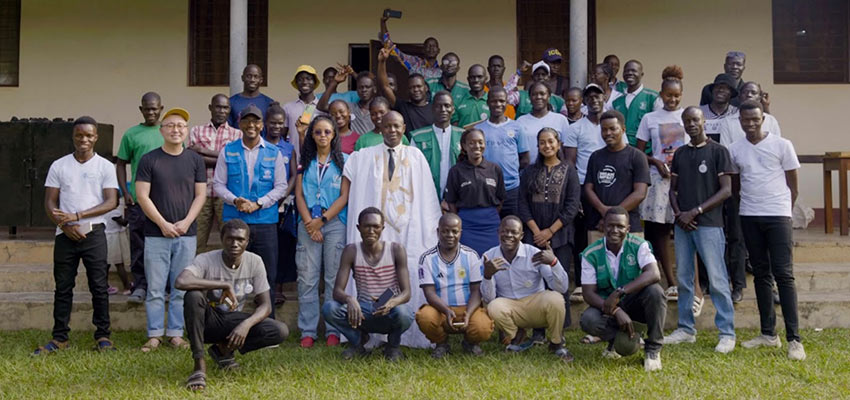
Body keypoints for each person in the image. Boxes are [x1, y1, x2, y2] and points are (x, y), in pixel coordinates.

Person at [343, 111, 442, 349]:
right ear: (381, 127)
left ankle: (404, 334)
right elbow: (348, 180)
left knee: (405, 272)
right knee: (372, 274)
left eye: (397, 126)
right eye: (387, 126)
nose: (392, 130)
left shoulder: (415, 156)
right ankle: (370, 332)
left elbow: (427, 197)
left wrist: (430, 227)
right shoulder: (364, 156)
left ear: (404, 127)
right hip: (375, 230)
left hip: (409, 229)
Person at [34, 116, 119, 355]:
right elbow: (50, 203)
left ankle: (103, 336)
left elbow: (112, 201)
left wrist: (78, 215)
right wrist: (65, 223)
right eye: (79, 135)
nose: (84, 139)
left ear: (96, 137)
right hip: (64, 235)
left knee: (99, 287)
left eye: (88, 135)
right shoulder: (59, 165)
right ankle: (60, 337)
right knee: (63, 287)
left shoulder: (104, 166)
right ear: (73, 137)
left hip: (94, 234)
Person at [730, 100, 805, 361]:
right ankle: (768, 334)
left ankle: (794, 340)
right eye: (745, 120)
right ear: (739, 120)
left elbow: (793, 185)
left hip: (778, 216)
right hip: (750, 216)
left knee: (784, 275)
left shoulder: (782, 145)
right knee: (761, 274)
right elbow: (737, 185)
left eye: (755, 119)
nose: (750, 124)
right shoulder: (735, 149)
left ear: (764, 119)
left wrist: (784, 208)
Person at [176, 219, 289, 392]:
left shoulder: (255, 261)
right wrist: (223, 285)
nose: (235, 244)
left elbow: (266, 306)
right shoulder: (206, 259)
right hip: (207, 321)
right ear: (222, 239)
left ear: (247, 241)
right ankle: (199, 365)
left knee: (279, 330)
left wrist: (246, 325)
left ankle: (223, 350)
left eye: (240, 240)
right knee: (193, 296)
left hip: (233, 321)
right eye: (230, 239)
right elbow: (181, 281)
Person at [664, 106, 736, 353]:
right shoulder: (681, 154)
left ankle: (727, 332)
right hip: (683, 225)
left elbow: (726, 190)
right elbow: (672, 190)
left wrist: (695, 212)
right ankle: (686, 329)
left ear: (704, 121)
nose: (691, 124)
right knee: (684, 278)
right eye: (687, 121)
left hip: (708, 225)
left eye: (695, 119)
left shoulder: (718, 152)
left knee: (716, 279)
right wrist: (679, 214)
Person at [135, 108, 206, 352]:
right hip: (156, 234)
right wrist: (163, 224)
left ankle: (176, 333)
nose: (176, 130)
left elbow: (201, 195)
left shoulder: (194, 159)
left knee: (180, 287)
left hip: (187, 233)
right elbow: (142, 196)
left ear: (186, 131)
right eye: (171, 126)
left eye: (181, 126)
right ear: (162, 130)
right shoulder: (149, 159)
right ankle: (154, 334)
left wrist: (186, 222)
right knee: (155, 287)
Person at [213, 105, 289, 315]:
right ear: (240, 124)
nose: (251, 125)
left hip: (265, 221)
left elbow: (281, 186)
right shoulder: (228, 150)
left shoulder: (274, 153)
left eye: (256, 121)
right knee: (232, 273)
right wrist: (235, 200)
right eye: (247, 121)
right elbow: (218, 184)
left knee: (267, 274)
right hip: (235, 223)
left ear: (262, 125)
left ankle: (267, 323)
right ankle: (231, 320)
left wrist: (259, 203)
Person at [579, 207, 667, 371]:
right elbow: (588, 294)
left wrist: (620, 292)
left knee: (655, 292)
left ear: (628, 228)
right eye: (610, 226)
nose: (615, 230)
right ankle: (616, 342)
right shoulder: (590, 253)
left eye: (620, 227)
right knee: (588, 319)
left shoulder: (639, 245)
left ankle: (653, 349)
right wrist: (616, 311)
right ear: (603, 226)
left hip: (636, 304)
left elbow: (654, 273)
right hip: (608, 308)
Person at [322, 208, 414, 361]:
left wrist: (391, 303)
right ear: (359, 228)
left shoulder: (396, 250)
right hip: (363, 310)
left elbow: (407, 293)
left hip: (388, 308)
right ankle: (358, 344)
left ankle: (393, 347)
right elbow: (337, 291)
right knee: (329, 308)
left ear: (382, 228)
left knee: (405, 313)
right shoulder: (351, 250)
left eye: (376, 227)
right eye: (367, 226)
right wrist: (350, 299)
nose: (371, 231)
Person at [481, 216, 573, 361]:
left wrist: (554, 263)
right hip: (510, 307)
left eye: (514, 232)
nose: (509, 236)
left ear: (521, 235)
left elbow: (561, 288)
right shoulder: (489, 257)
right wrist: (487, 276)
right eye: (505, 231)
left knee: (556, 298)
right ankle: (517, 336)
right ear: (498, 232)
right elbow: (488, 298)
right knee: (493, 306)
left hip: (536, 306)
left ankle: (557, 343)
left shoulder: (534, 253)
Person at [294, 116, 350, 348]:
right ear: (312, 135)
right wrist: (311, 223)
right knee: (307, 277)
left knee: (333, 277)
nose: (323, 136)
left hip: (335, 222)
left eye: (327, 132)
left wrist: (323, 220)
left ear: (334, 134)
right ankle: (308, 330)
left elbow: (345, 196)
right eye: (317, 132)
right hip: (308, 223)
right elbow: (298, 195)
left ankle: (333, 329)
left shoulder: (344, 161)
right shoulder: (304, 161)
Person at [635, 66, 687, 300]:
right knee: (660, 233)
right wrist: (655, 161)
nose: (673, 99)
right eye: (669, 95)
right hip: (659, 182)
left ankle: (691, 283)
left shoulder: (687, 116)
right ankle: (669, 281)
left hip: (682, 180)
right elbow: (638, 153)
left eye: (677, 96)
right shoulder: (650, 118)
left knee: (684, 230)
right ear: (661, 94)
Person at [416, 213, 494, 358]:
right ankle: (441, 344)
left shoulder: (471, 255)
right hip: (440, 310)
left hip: (468, 308)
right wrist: (446, 310)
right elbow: (429, 293)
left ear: (460, 233)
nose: (450, 235)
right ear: (438, 232)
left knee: (482, 327)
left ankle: (470, 343)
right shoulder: (427, 258)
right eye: (445, 231)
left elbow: (476, 291)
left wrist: (468, 314)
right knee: (425, 317)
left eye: (454, 231)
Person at [518, 127, 580, 304]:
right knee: (535, 281)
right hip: (533, 236)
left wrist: (550, 232)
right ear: (537, 146)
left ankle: (559, 326)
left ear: (559, 144)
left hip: (561, 235)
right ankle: (538, 329)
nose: (547, 145)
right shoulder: (529, 171)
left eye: (551, 141)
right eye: (542, 142)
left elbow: (572, 205)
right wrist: (538, 233)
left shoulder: (569, 171)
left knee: (559, 279)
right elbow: (522, 203)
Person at [116, 91, 163, 304]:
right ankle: (140, 285)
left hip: (164, 201)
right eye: (147, 108)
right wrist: (125, 192)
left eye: (155, 108)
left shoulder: (169, 132)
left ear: (161, 109)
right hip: (138, 201)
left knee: (163, 244)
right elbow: (120, 164)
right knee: (139, 245)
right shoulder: (131, 134)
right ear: (141, 109)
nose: (151, 112)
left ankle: (163, 285)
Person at [584, 110, 650, 242]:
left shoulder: (637, 156)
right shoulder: (595, 157)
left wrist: (611, 216)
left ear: (623, 129)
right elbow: (588, 189)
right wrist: (603, 211)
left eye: (613, 129)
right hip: (599, 226)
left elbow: (640, 193)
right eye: (604, 129)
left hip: (628, 227)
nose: (608, 133)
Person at [188, 94, 242, 254]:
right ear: (210, 108)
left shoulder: (237, 135)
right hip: (200, 192)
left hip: (225, 193)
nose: (221, 111)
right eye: (218, 107)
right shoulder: (197, 131)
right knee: (197, 238)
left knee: (229, 237)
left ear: (229, 110)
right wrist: (223, 156)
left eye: (225, 107)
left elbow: (233, 162)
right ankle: (195, 274)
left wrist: (203, 151)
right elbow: (193, 160)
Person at [443, 128, 506, 255]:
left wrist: (488, 214)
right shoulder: (456, 171)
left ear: (485, 144)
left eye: (480, 142)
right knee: (469, 261)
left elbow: (501, 198)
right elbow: (451, 202)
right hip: (467, 225)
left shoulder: (495, 169)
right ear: (464, 146)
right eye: (472, 143)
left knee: (493, 259)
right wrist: (460, 223)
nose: (477, 146)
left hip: (491, 225)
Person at [475, 87, 530, 218]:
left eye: (502, 101)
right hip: (486, 188)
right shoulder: (479, 129)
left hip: (512, 190)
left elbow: (525, 159)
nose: (498, 104)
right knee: (489, 227)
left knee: (512, 227)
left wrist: (511, 173)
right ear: (487, 103)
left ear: (507, 103)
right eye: (494, 101)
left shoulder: (517, 127)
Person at [264, 104, 299, 302]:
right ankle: (263, 289)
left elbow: (294, 174)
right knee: (265, 247)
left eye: (280, 123)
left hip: (284, 206)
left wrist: (283, 195)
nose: (276, 126)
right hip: (263, 206)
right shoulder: (259, 144)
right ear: (265, 124)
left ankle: (278, 287)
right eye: (272, 123)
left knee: (283, 246)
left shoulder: (288, 148)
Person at [410, 91, 463, 197]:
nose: (443, 110)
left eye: (447, 106)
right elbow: (412, 170)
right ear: (432, 109)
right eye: (439, 106)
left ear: (453, 109)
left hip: (458, 195)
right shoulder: (417, 137)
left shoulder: (463, 135)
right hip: (427, 194)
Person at [377, 46, 432, 136]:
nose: (416, 90)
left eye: (419, 86)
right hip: (408, 149)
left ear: (426, 88)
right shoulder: (403, 107)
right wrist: (382, 62)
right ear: (408, 90)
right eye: (412, 87)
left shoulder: (434, 108)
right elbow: (385, 87)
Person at [611, 60, 662, 149]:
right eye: (626, 71)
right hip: (621, 151)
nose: (629, 73)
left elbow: (659, 127)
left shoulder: (652, 97)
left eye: (634, 71)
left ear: (642, 74)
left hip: (646, 153)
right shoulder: (616, 101)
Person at [516, 81, 570, 164]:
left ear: (549, 97)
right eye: (534, 94)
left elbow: (565, 150)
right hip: (528, 172)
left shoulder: (561, 120)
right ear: (529, 98)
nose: (538, 97)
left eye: (542, 94)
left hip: (554, 171)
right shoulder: (520, 121)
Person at [380, 9, 442, 79]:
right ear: (423, 50)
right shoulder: (414, 62)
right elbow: (390, 47)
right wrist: (383, 23)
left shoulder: (443, 71)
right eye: (428, 46)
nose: (431, 48)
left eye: (434, 46)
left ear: (438, 50)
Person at [319, 68, 378, 137]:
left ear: (374, 89)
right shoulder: (350, 107)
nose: (364, 90)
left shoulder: (378, 110)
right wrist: (335, 82)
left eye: (367, 87)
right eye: (360, 87)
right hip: (353, 146)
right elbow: (321, 106)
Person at [282, 65, 321, 156]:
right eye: (300, 79)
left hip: (316, 160)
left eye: (309, 78)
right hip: (294, 159)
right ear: (296, 84)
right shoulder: (288, 107)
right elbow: (282, 137)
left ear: (314, 82)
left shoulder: (322, 108)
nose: (304, 82)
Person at [228, 64, 275, 130]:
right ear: (242, 78)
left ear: (261, 80)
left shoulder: (269, 103)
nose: (252, 80)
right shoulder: (231, 102)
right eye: (249, 76)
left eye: (256, 77)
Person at [104, 196, 132, 295]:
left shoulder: (105, 211)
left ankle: (104, 287)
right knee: (119, 264)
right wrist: (130, 215)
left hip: (106, 239)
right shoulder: (114, 213)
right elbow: (124, 223)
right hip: (114, 241)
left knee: (106, 265)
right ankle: (127, 286)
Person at [453, 64, 489, 128]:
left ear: (486, 79)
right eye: (472, 77)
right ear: (468, 79)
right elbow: (454, 128)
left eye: (480, 77)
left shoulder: (492, 101)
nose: (476, 80)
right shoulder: (457, 101)